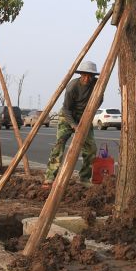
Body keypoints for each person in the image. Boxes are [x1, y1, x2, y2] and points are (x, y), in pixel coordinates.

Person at [43, 60, 102, 189]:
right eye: (84, 75)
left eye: (89, 75)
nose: (86, 78)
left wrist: (88, 116)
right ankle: (50, 177)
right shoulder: (73, 86)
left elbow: (99, 100)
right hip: (68, 116)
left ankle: (85, 178)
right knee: (59, 144)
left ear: (93, 76)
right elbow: (66, 109)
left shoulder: (97, 85)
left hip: (84, 117)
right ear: (80, 74)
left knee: (91, 149)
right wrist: (74, 125)